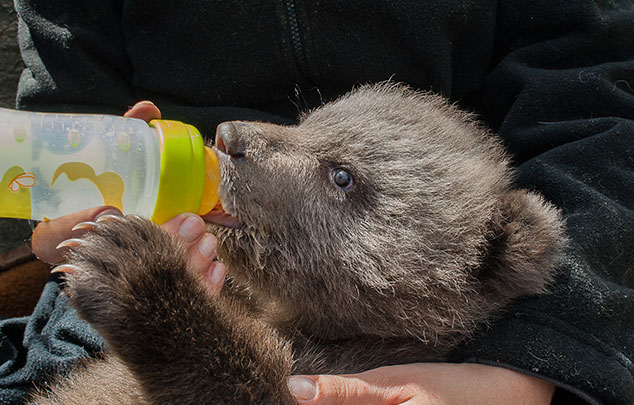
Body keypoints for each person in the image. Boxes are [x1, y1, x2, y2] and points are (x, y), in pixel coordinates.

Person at [1, 0, 633, 403]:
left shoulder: (405, 328)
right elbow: (62, 105)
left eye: (341, 179)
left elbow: (596, 96)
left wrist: (535, 361)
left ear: (470, 263)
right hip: (110, 293)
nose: (236, 138)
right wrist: (74, 198)